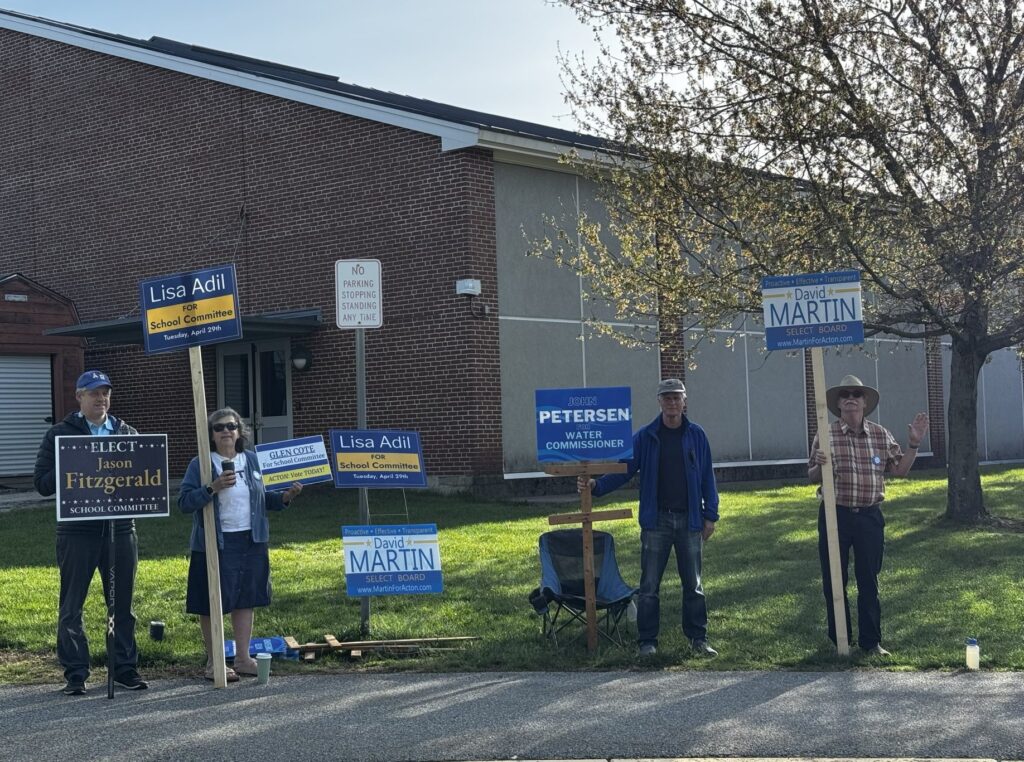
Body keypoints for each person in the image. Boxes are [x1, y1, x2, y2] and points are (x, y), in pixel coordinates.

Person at [578, 378, 720, 657]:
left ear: (684, 401)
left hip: (690, 521)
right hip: (657, 522)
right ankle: (647, 642)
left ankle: (698, 639)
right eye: (666, 398)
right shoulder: (646, 436)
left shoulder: (697, 435)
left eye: (676, 397)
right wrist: (597, 486)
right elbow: (624, 468)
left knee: (694, 585)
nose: (672, 403)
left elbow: (707, 477)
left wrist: (710, 516)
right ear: (659, 402)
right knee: (649, 586)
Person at [33, 369, 148, 695]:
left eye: (105, 393)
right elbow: (41, 484)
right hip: (76, 531)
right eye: (94, 393)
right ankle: (76, 674)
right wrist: (71, 461)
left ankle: (125, 670)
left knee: (122, 605)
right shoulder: (60, 434)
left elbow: (143, 476)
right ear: (79, 396)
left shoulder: (126, 432)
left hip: (121, 528)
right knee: (72, 606)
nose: (101, 398)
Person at [808, 375, 929, 656]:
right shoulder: (825, 435)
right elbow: (811, 475)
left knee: (868, 579)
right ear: (838, 403)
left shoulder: (880, 434)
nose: (851, 397)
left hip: (869, 518)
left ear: (864, 403)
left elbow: (899, 470)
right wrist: (820, 465)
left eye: (856, 394)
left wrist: (913, 445)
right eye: (845, 394)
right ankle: (840, 641)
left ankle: (871, 642)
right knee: (834, 580)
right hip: (834, 515)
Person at [178, 407, 302, 681]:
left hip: (252, 540)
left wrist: (286, 496)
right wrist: (213, 487)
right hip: (214, 543)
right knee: (212, 602)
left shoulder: (253, 461)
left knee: (246, 598)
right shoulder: (201, 463)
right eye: (219, 427)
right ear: (210, 434)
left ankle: (244, 659)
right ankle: (215, 663)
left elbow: (265, 500)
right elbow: (184, 502)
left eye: (231, 426)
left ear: (239, 431)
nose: (226, 431)